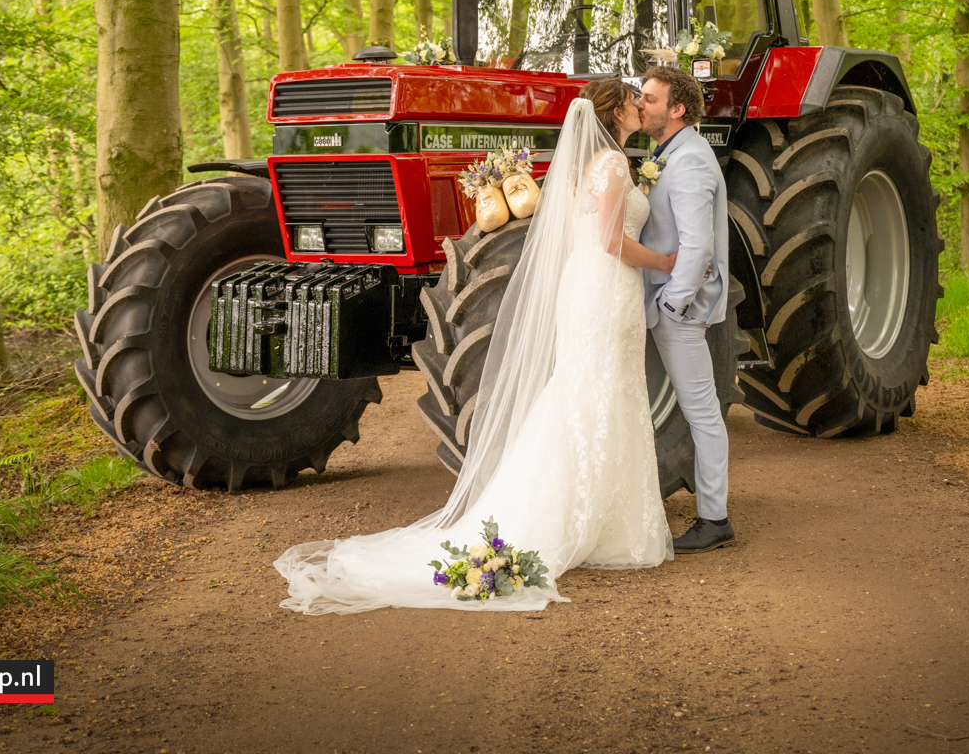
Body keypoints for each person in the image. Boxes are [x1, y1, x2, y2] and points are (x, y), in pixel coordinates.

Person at [275, 79, 679, 613]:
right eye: (633, 100)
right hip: (606, 284)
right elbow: (607, 240)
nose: (639, 106)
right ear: (615, 110)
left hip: (599, 287)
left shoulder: (598, 163)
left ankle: (600, 517)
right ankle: (582, 521)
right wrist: (665, 263)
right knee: (596, 393)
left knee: (596, 393)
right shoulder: (610, 166)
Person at [636, 64, 735, 554]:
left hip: (677, 310)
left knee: (702, 413)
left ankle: (714, 519)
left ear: (677, 109)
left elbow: (697, 247)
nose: (640, 104)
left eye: (649, 99)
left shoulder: (691, 160)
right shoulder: (670, 153)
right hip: (660, 301)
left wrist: (673, 305)